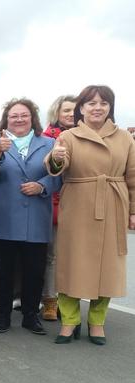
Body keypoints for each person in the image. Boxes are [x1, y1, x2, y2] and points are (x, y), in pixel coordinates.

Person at [46, 85, 135, 345]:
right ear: (81, 108)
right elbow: (56, 166)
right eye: (91, 103)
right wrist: (56, 157)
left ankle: (97, 321)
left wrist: (133, 211)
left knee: (107, 267)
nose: (98, 107)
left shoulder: (124, 138)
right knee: (71, 264)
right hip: (78, 204)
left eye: (103, 103)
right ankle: (69, 321)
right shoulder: (69, 136)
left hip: (113, 203)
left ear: (110, 107)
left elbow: (133, 177)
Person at [0, 98, 60, 335]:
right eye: (14, 116)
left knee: (34, 270)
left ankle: (30, 316)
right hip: (1, 218)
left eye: (24, 115)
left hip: (35, 217)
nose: (19, 119)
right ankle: (3, 315)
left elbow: (59, 174)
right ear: (6, 120)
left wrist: (42, 186)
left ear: (32, 118)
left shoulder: (49, 144)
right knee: (4, 270)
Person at [40, 95, 76, 321]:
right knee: (51, 256)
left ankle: (70, 300)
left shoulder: (84, 137)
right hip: (54, 204)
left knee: (75, 256)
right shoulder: (46, 139)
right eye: (67, 111)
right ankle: (50, 301)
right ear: (57, 113)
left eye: (75, 110)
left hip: (79, 205)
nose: (71, 114)